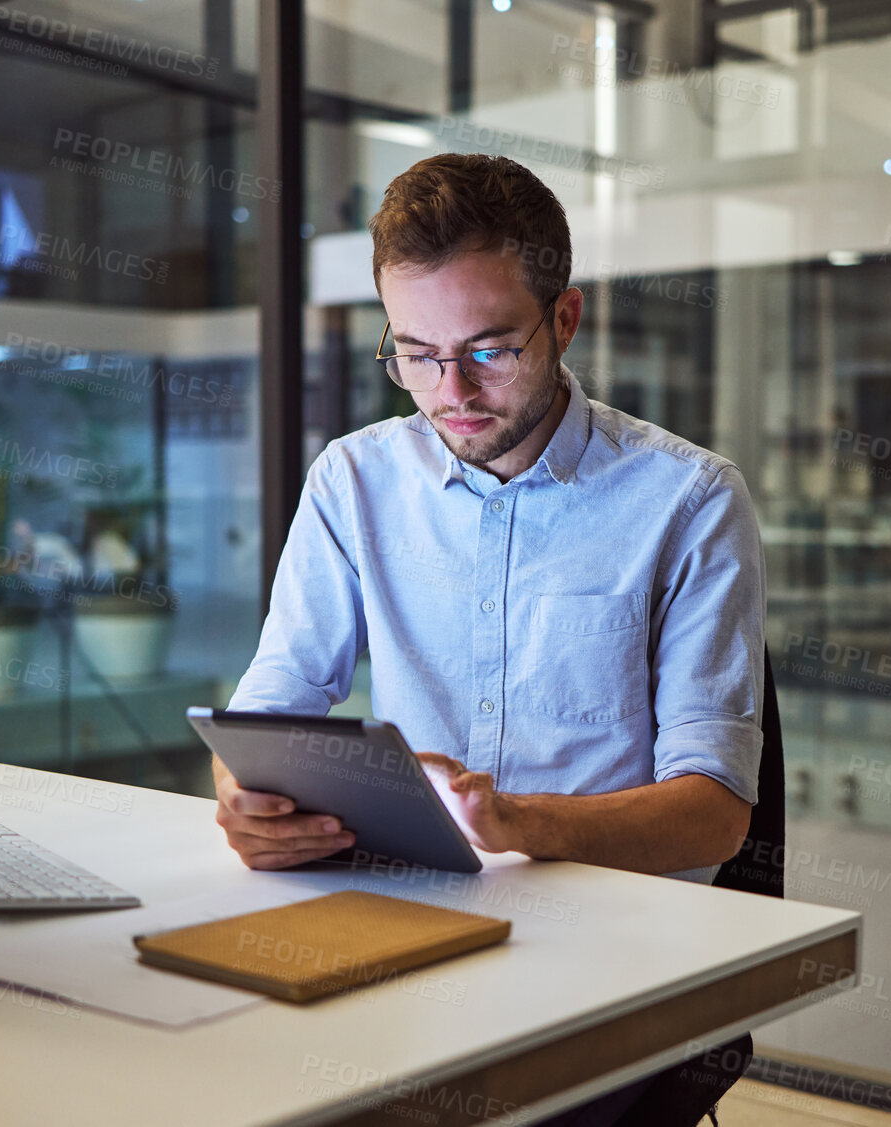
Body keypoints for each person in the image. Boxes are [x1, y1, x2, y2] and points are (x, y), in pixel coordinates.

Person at [215, 153, 766, 1126]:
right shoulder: (353, 481)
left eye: (487, 349)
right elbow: (268, 708)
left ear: (563, 318)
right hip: (401, 919)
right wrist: (245, 793)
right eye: (415, 353)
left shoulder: (689, 500)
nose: (449, 390)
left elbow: (715, 814)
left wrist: (521, 822)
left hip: (614, 946)